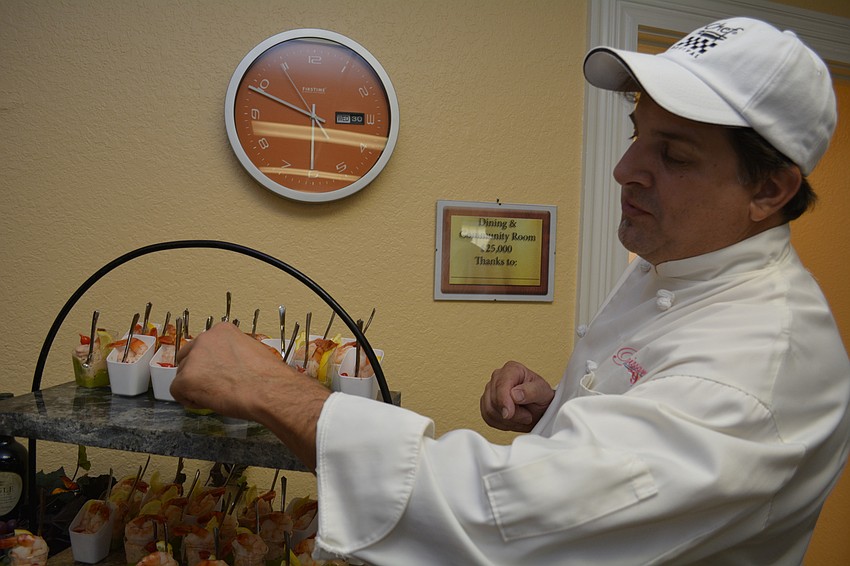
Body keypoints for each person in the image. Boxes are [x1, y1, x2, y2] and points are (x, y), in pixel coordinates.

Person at [171, 17, 850, 565]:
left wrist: (264, 386)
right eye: (638, 134)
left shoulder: (754, 373)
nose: (623, 169)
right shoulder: (687, 261)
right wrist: (568, 410)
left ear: (769, 189)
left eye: (673, 155)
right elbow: (653, 446)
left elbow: (496, 517)